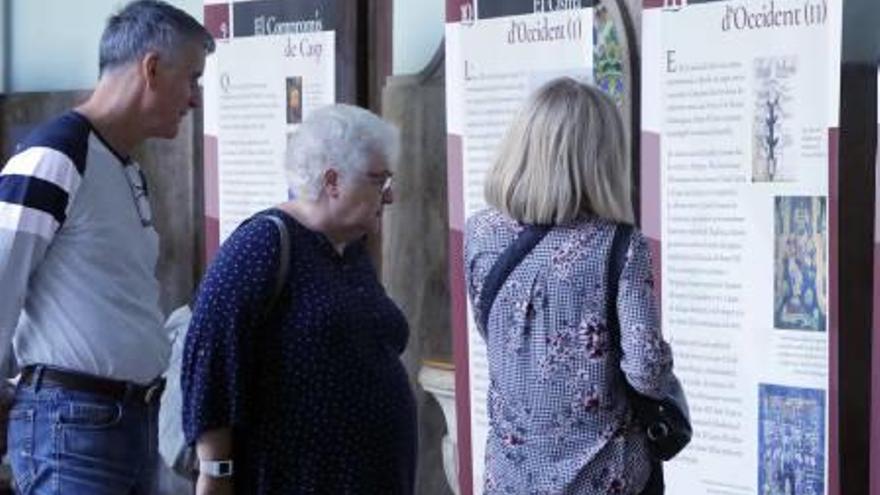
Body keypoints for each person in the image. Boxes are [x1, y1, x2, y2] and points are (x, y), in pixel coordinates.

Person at [0, 1, 213, 493]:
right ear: (152, 68)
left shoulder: (124, 165)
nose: (195, 98)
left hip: (130, 420)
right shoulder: (54, 155)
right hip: (71, 424)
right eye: (193, 78)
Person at [182, 104, 417, 495]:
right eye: (379, 180)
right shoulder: (262, 244)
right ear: (332, 181)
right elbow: (212, 363)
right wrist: (216, 474)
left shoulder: (351, 249)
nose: (389, 197)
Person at [464, 77, 679, 494]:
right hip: (603, 475)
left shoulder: (480, 232)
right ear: (600, 157)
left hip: (511, 474)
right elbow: (647, 372)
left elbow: (494, 330)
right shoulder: (619, 244)